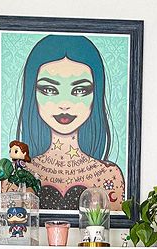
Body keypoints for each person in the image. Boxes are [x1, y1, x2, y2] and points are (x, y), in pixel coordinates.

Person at [12, 34, 125, 211]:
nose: (64, 104)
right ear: (32, 93)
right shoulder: (16, 175)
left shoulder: (109, 175)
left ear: (95, 94)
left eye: (80, 90)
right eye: (49, 89)